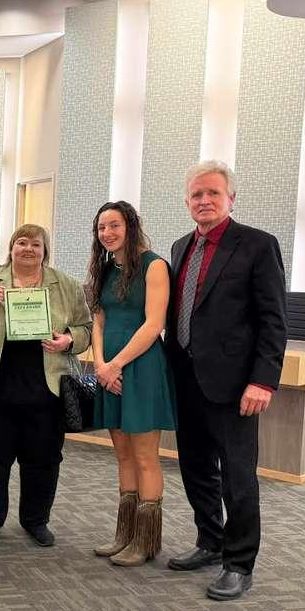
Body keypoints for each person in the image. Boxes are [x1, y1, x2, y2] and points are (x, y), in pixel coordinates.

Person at [164, 161, 286, 601]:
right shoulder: (180, 247)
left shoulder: (257, 245)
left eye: (213, 194)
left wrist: (264, 381)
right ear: (187, 202)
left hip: (235, 385)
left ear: (231, 199)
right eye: (197, 195)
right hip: (186, 379)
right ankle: (209, 542)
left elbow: (273, 321)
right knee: (196, 469)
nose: (204, 201)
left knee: (237, 475)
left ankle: (239, 563)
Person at [0, 224, 92, 547]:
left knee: (44, 458)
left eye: (36, 244)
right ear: (11, 248)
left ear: (45, 250)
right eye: (22, 242)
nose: (28, 249)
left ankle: (36, 519)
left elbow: (85, 328)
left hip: (46, 387)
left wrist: (68, 340)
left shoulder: (68, 286)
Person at [87, 201, 177, 567]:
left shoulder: (155, 266)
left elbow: (154, 325)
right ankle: (124, 535)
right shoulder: (107, 270)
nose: (107, 233)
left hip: (140, 366)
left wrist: (117, 364)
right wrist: (100, 365)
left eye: (114, 225)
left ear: (131, 225)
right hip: (109, 369)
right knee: (122, 455)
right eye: (101, 228)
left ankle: (146, 541)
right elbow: (98, 322)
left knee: (144, 456)